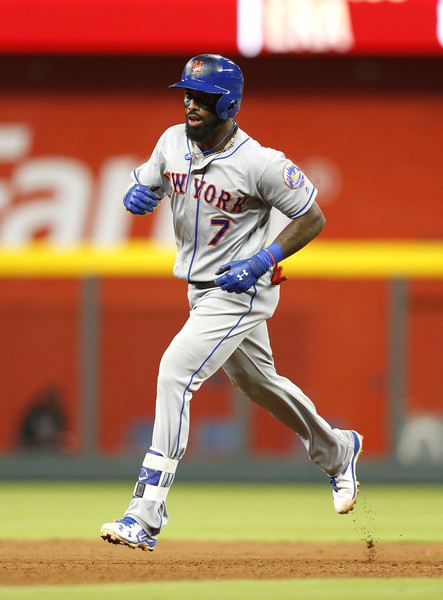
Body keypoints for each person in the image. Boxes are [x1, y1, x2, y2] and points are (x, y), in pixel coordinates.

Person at [101, 54, 363, 552]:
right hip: (199, 290)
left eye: (201, 96)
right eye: (187, 94)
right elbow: (149, 181)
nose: (189, 103)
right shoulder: (171, 140)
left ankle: (145, 514)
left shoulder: (259, 161)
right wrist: (138, 191)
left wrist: (263, 260)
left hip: (241, 290)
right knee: (259, 384)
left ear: (229, 102)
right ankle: (336, 448)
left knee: (175, 371)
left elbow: (312, 217)